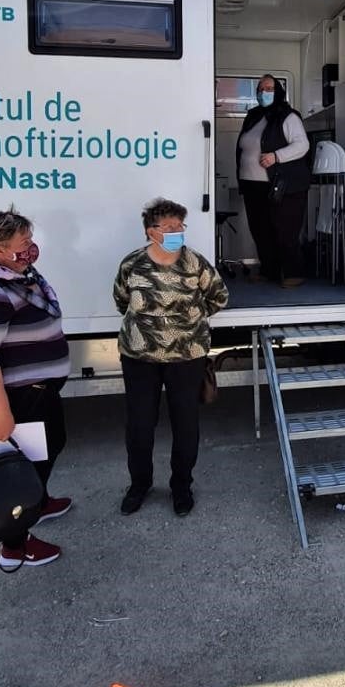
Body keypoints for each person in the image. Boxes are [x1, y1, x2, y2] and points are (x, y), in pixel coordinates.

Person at [0, 207, 72, 570]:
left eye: (29, 238)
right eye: (23, 241)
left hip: (40, 392)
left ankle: (37, 502)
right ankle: (14, 545)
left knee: (50, 447)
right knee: (18, 468)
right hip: (18, 398)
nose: (31, 246)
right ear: (0, 250)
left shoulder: (22, 278)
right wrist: (1, 412)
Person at [113, 199, 229, 516]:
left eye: (180, 225)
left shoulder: (195, 263)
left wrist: (188, 320)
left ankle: (181, 487)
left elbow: (219, 297)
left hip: (186, 357)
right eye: (168, 226)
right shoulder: (132, 264)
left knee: (185, 423)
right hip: (139, 357)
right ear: (151, 232)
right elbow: (122, 300)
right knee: (139, 425)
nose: (176, 231)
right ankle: (139, 485)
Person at [236, 75, 311, 287]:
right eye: (260, 88)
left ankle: (293, 272)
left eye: (269, 88)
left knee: (285, 229)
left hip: (282, 185)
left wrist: (276, 156)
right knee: (261, 230)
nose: (264, 92)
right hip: (252, 185)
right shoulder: (253, 116)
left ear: (278, 91)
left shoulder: (288, 116)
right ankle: (269, 270)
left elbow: (302, 145)